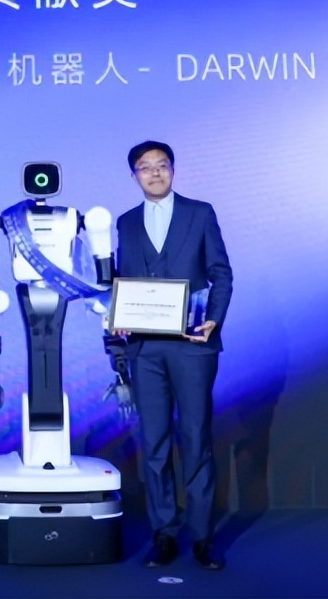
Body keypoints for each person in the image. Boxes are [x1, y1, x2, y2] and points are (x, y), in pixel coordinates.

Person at [116, 141, 233, 570]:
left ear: (173, 170)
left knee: (196, 439)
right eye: (145, 168)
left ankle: (202, 537)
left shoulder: (200, 213)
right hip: (145, 349)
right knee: (154, 444)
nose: (155, 173)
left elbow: (221, 272)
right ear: (134, 176)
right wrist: (119, 316)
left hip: (192, 345)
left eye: (162, 166)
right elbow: (123, 278)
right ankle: (164, 533)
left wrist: (214, 318)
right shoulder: (126, 222)